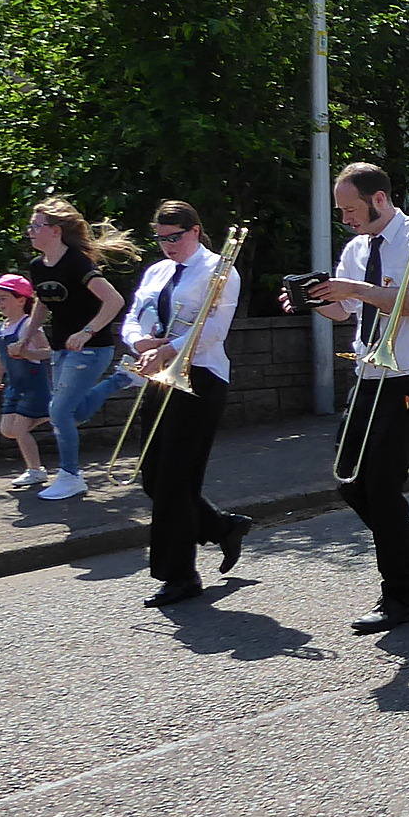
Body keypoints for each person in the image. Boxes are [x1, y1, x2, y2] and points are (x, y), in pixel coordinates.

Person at [287, 162, 409, 634]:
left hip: (406, 380)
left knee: (380, 487)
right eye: (341, 212)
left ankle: (397, 594)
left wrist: (354, 288)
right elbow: (345, 311)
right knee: (349, 481)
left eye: (351, 209)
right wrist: (314, 301)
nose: (347, 220)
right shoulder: (356, 248)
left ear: (379, 199)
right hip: (366, 374)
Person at [121, 200, 250, 607]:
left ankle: (178, 575)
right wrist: (139, 341)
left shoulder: (220, 269)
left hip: (201, 377)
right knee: (154, 477)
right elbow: (134, 315)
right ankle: (221, 526)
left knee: (176, 479)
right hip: (159, 375)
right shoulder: (157, 271)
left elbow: (214, 329)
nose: (166, 245)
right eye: (160, 238)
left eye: (174, 237)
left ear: (194, 230)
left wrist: (170, 349)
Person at [24, 198, 141, 501]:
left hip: (92, 349)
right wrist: (26, 337)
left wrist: (87, 332)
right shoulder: (38, 266)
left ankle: (71, 476)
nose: (30, 231)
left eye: (36, 226)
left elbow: (114, 301)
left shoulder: (77, 263)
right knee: (73, 413)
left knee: (58, 411)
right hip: (62, 349)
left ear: (55, 230)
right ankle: (124, 379)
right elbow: (42, 302)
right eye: (31, 226)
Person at [0, 274, 52, 490]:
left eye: (4, 298)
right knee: (8, 430)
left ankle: (35, 470)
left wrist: (26, 352)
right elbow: (1, 356)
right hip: (15, 386)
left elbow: (48, 352)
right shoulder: (1, 327)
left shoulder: (28, 326)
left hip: (33, 385)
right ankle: (50, 414)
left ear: (21, 300)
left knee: (20, 429)